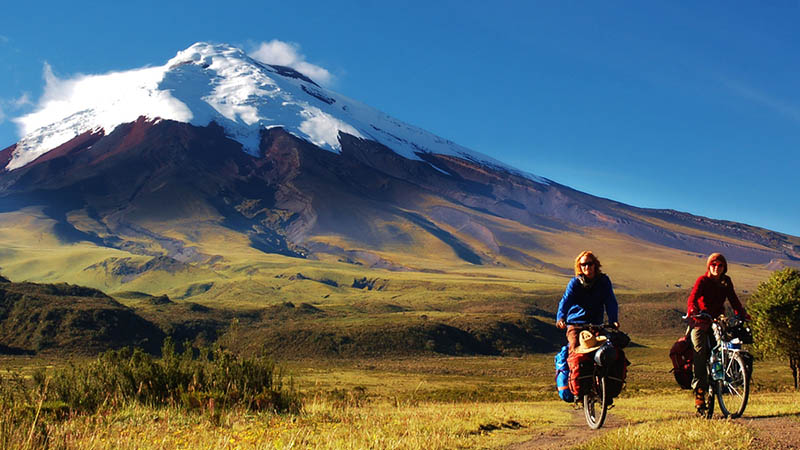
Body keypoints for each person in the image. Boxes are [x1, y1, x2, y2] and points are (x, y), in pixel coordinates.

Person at [685, 252, 750, 415]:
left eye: (720, 265)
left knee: (725, 348)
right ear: (708, 266)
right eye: (713, 265)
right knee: (699, 352)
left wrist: (741, 313)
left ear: (724, 267)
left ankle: (722, 384)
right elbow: (692, 298)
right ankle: (699, 392)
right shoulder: (703, 281)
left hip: (717, 321)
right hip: (700, 321)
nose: (716, 268)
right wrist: (693, 310)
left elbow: (733, 300)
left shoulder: (725, 282)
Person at [556, 251, 619, 352]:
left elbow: (610, 301)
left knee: (608, 351)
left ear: (595, 265)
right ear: (579, 266)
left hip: (596, 324)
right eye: (583, 264)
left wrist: (613, 320)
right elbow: (566, 301)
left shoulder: (603, 281)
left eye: (589, 264)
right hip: (576, 324)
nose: (587, 267)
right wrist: (561, 318)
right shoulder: (575, 283)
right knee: (574, 349)